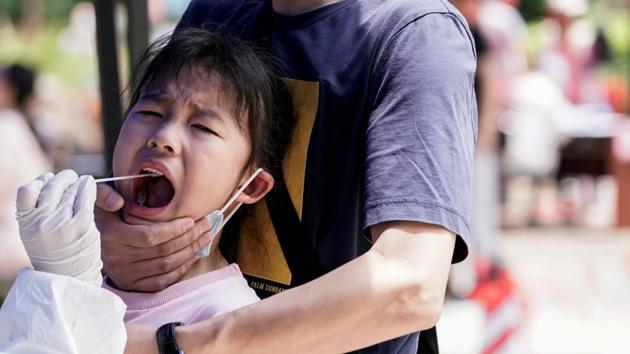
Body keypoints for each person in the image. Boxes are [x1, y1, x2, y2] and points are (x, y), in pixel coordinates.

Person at [97, 0, 478, 353]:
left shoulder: (416, 35)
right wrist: (106, 235)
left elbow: (409, 285)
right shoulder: (216, 9)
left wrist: (173, 346)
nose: (165, 137)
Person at [10, 27, 295, 329]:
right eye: (150, 112)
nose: (163, 137)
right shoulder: (87, 274)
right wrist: (55, 277)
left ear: (251, 185)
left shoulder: (227, 320)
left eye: (203, 128)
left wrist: (63, 284)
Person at [0, 64, 51, 295]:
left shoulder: (7, 126)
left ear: (9, 90)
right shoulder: (25, 124)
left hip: (15, 246)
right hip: (36, 243)